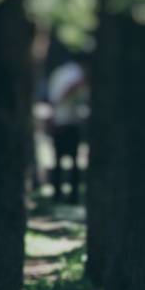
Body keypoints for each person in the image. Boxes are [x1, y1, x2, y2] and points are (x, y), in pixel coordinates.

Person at [47, 61, 89, 203]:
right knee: (67, 161)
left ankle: (63, 195)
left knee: (65, 160)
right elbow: (65, 92)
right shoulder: (75, 73)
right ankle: (67, 195)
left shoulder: (59, 72)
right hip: (67, 121)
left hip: (65, 121)